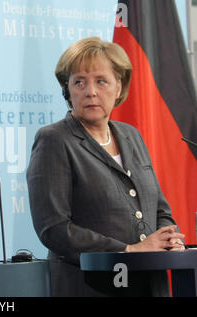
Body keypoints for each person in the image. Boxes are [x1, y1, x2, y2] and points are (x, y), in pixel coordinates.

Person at [26, 37, 185, 297]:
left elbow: (158, 209)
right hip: (90, 286)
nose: (90, 92)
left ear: (118, 86)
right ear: (68, 89)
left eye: (101, 81)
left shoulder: (131, 136)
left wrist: (170, 240)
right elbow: (53, 228)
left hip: (149, 284)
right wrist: (130, 250)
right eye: (79, 82)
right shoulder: (54, 139)